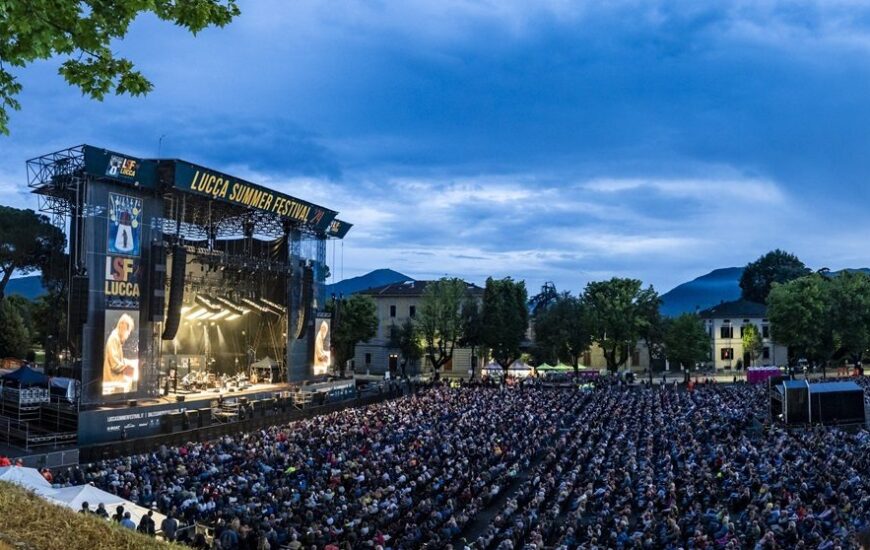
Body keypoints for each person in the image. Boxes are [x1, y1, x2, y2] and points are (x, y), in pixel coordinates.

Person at [103, 313, 135, 390]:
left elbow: (117, 358)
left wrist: (127, 362)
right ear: (123, 326)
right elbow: (115, 364)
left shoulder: (116, 338)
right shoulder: (114, 338)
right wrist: (129, 368)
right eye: (129, 331)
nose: (129, 334)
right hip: (111, 380)